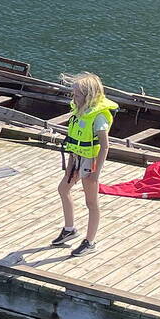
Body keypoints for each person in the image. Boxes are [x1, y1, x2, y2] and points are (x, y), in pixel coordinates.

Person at [52, 72, 118, 257]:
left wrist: (97, 173)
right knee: (63, 189)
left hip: (91, 163)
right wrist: (71, 162)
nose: (74, 98)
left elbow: (105, 146)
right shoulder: (79, 111)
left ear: (89, 95)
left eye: (77, 95)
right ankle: (69, 229)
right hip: (76, 158)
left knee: (92, 203)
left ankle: (90, 242)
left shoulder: (99, 117)